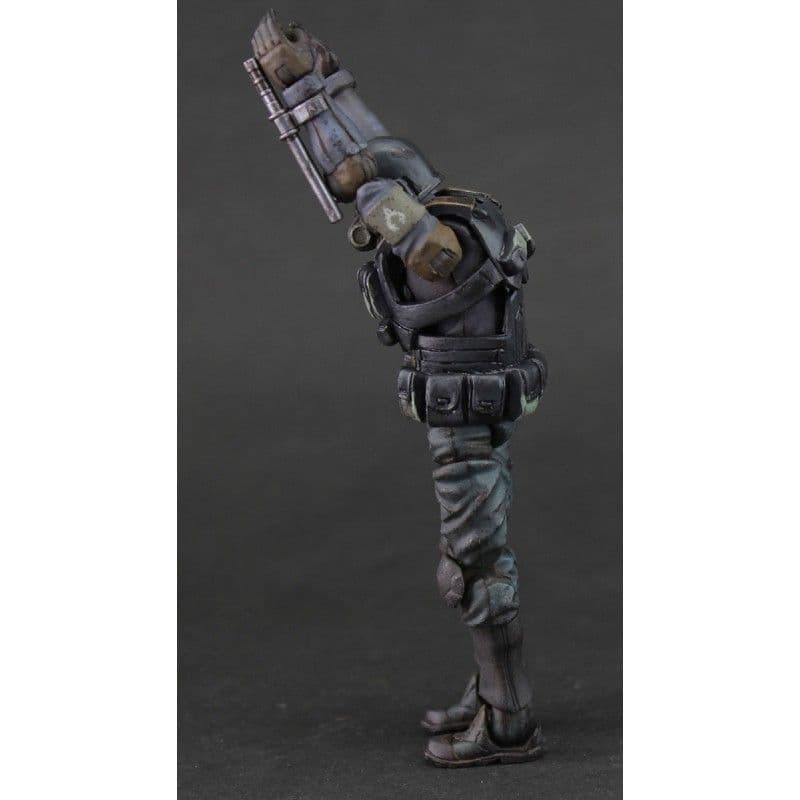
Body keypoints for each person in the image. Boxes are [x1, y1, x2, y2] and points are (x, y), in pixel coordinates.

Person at [249, 10, 548, 767]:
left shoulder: (432, 236)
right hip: (476, 399)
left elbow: (392, 207)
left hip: (464, 416)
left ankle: (508, 722)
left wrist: (362, 181)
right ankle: (495, 692)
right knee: (476, 559)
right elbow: (367, 147)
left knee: (472, 567)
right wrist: (313, 85)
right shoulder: (456, 208)